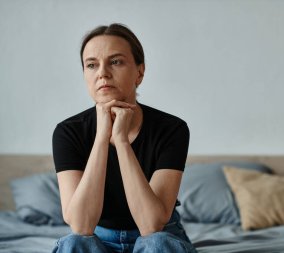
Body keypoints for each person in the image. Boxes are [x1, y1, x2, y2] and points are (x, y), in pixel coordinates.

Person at [52, 23, 196, 253]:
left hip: (159, 236)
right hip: (97, 238)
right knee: (73, 244)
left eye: (116, 61)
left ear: (140, 72)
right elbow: (80, 225)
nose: (102, 73)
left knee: (157, 243)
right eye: (91, 65)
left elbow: (151, 224)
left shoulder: (172, 129)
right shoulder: (68, 132)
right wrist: (102, 138)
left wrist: (121, 141)